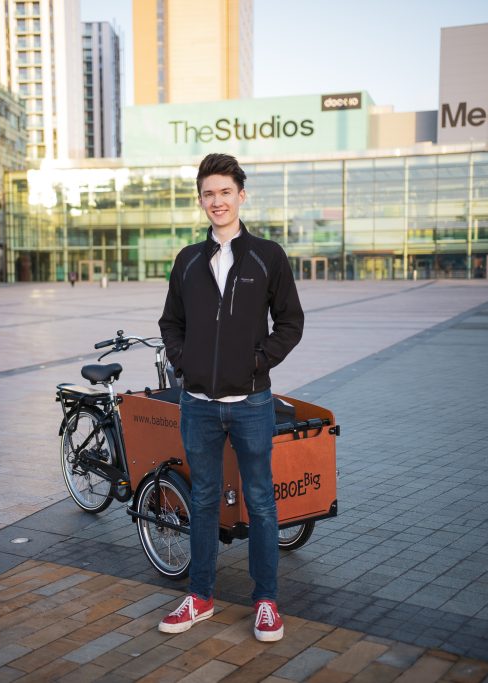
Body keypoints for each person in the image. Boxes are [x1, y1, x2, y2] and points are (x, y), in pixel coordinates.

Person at [157, 153, 304, 643]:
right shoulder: (188, 261)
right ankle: (200, 596)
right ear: (200, 200)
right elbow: (170, 324)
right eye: (208, 194)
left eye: (224, 192)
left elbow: (290, 323)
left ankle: (265, 601)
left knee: (260, 501)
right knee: (202, 499)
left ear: (242, 194)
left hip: (251, 403)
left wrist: (256, 363)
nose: (216, 201)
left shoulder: (268, 256)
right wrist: (185, 364)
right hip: (197, 403)